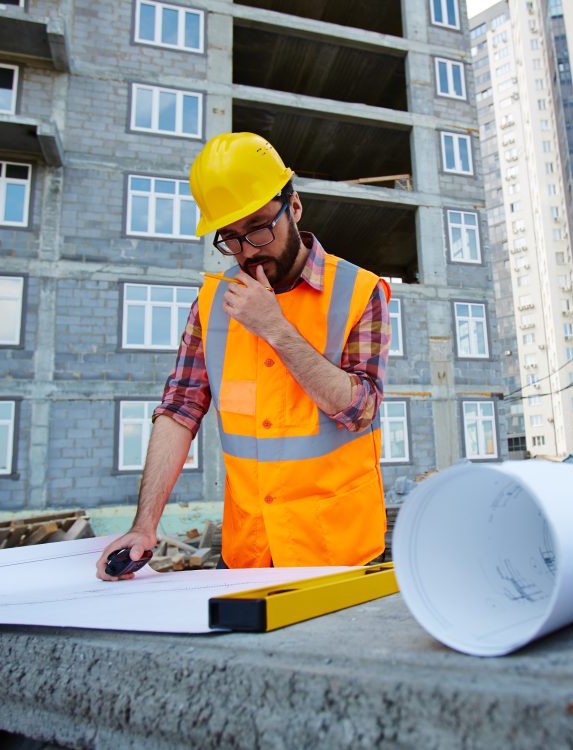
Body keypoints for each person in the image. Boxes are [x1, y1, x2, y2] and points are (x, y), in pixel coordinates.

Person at [96, 132, 391, 579]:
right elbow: (179, 409)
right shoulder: (213, 301)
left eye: (258, 227)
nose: (248, 250)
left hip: (338, 552)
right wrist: (144, 526)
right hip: (248, 551)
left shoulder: (358, 290)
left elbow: (360, 409)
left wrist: (275, 328)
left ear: (293, 207)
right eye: (231, 238)